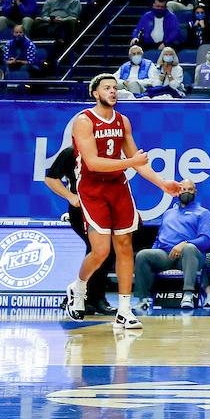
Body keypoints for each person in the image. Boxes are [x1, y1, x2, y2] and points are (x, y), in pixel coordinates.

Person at [65, 74, 182, 328]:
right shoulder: (84, 121)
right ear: (95, 93)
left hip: (117, 186)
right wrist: (131, 163)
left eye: (115, 88)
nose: (113, 91)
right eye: (107, 88)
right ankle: (79, 288)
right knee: (101, 251)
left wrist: (163, 184)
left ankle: (125, 310)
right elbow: (94, 162)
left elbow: (137, 160)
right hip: (92, 187)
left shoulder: (123, 121)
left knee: (125, 244)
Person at [43, 146, 116, 315]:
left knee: (106, 252)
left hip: (103, 207)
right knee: (98, 250)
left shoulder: (107, 152)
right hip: (81, 210)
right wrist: (71, 196)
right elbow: (51, 178)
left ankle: (87, 297)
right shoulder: (71, 153)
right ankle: (90, 298)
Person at [132, 179, 210, 312]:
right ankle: (142, 299)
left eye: (190, 190)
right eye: (183, 189)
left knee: (189, 248)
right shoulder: (168, 213)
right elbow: (159, 239)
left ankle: (188, 294)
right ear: (178, 191)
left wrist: (184, 243)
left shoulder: (203, 213)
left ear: (195, 192)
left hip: (190, 257)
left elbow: (206, 240)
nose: (186, 192)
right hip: (166, 255)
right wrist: (154, 253)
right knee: (143, 255)